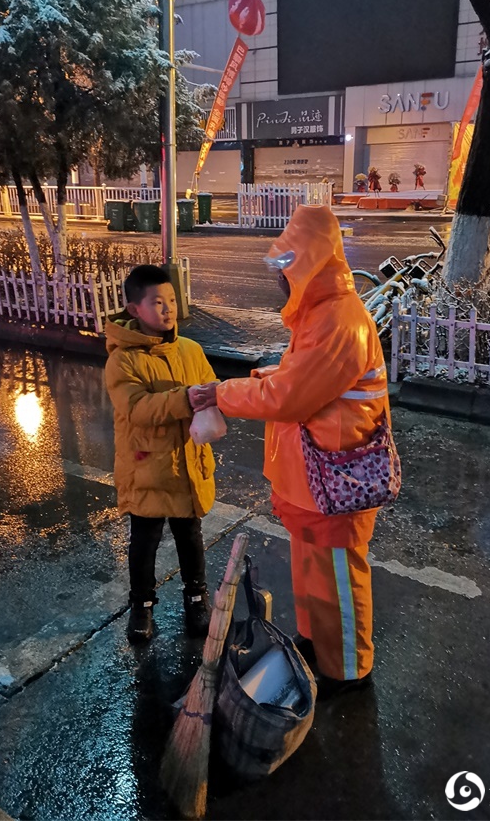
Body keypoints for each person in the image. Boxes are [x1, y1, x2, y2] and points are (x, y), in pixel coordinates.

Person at [194, 204, 391, 699]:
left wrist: (222, 393)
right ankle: (316, 643)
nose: (279, 276)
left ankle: (347, 670)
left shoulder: (338, 321)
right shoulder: (320, 316)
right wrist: (255, 380)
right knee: (312, 570)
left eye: (287, 265)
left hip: (334, 477)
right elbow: (293, 379)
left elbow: (292, 396)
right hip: (317, 478)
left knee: (338, 580)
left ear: (310, 263)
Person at [105, 265, 218, 644]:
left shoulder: (191, 349)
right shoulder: (123, 360)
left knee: (190, 536)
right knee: (145, 541)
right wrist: (184, 399)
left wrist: (223, 394)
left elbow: (210, 387)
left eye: (171, 300)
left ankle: (197, 597)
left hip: (187, 462)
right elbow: (136, 408)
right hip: (147, 466)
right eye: (157, 302)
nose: (168, 309)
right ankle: (142, 605)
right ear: (135, 309)